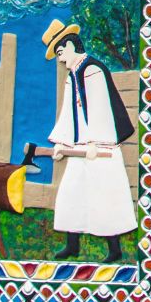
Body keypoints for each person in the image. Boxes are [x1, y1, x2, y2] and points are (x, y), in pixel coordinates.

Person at [42, 18, 137, 262]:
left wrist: (97, 142)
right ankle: (72, 245)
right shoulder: (71, 77)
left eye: (61, 52)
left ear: (72, 46)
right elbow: (68, 114)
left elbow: (100, 109)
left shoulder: (93, 71)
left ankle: (115, 250)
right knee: (71, 193)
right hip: (80, 148)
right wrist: (62, 144)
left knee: (105, 197)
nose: (61, 59)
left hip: (100, 148)